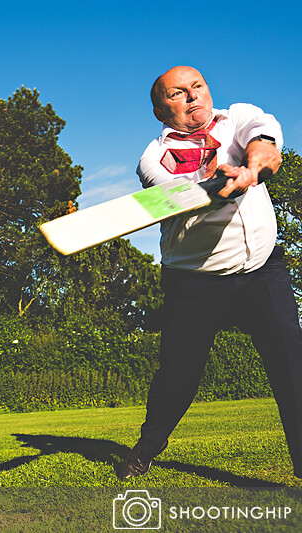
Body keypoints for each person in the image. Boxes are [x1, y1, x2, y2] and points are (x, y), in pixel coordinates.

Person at [117, 66, 302, 479]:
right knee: (178, 376)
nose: (192, 97)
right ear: (160, 111)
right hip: (194, 279)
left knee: (292, 358)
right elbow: (187, 192)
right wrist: (222, 181)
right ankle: (146, 448)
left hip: (261, 268)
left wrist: (256, 163)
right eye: (177, 94)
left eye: (197, 87)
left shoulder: (238, 118)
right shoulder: (153, 159)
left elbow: (264, 139)